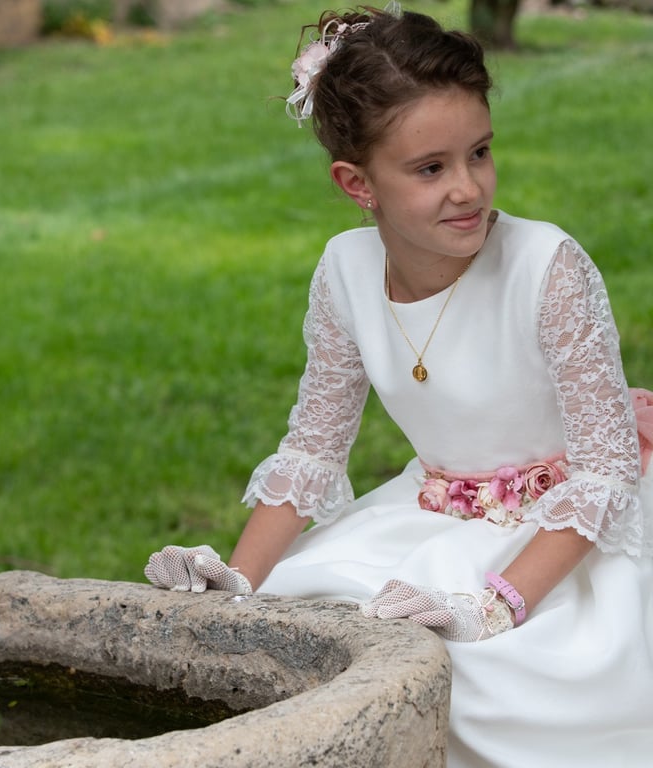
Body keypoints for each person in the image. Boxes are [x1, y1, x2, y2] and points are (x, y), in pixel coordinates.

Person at [145, 5, 653, 766]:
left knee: (478, 680)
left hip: (573, 542)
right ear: (358, 183)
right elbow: (312, 451)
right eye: (431, 168)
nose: (468, 188)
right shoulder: (345, 273)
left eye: (480, 153)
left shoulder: (547, 267)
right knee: (305, 635)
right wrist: (238, 584)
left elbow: (607, 475)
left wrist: (493, 607)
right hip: (431, 517)